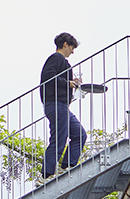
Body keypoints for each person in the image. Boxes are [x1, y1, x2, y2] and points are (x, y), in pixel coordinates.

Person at [40, 32, 86, 179]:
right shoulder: (56, 58)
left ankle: (66, 166)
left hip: (62, 106)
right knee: (59, 138)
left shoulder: (63, 62)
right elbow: (48, 77)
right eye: (72, 48)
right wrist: (68, 83)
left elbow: (57, 77)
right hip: (55, 104)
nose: (72, 52)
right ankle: (46, 174)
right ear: (65, 44)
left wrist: (71, 81)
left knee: (79, 134)